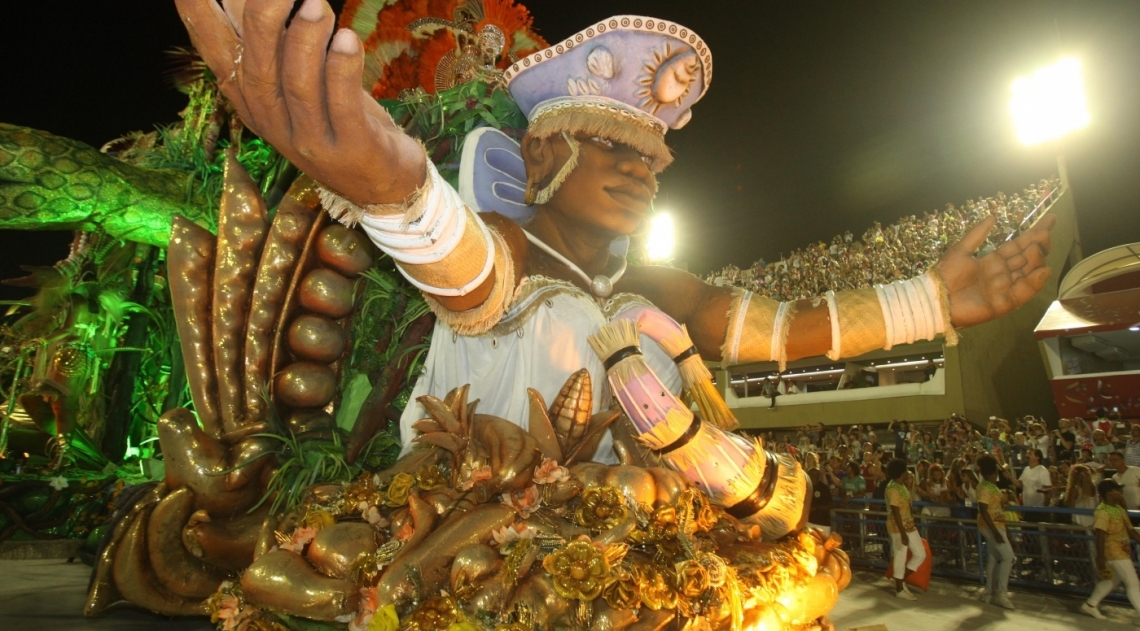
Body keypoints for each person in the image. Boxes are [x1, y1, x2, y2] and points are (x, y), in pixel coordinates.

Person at [1081, 480, 1140, 621]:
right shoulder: (1102, 511)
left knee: (1112, 581)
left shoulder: (1118, 508)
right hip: (1113, 551)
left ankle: (1090, 604)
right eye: (1116, 490)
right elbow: (1100, 535)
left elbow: (1130, 529)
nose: (1120, 492)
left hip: (1121, 550)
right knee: (1132, 583)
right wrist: (1100, 557)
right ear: (1109, 493)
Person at [976, 455, 1015, 609]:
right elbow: (983, 510)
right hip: (992, 525)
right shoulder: (986, 486)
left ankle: (989, 593)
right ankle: (1001, 593)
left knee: (993, 558)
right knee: (1008, 557)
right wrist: (996, 532)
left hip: (995, 524)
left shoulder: (988, 485)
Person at [885, 458, 926, 600]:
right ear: (901, 472)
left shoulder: (901, 486)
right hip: (898, 527)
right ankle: (899, 589)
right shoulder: (892, 488)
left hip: (909, 525)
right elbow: (895, 511)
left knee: (920, 554)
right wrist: (902, 532)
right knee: (900, 555)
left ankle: (901, 581)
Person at [1013, 448, 1054, 518]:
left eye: (1030, 454)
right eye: (1027, 453)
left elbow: (1049, 490)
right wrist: (1010, 477)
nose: (1027, 455)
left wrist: (1045, 508)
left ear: (1037, 457)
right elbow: (1020, 485)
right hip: (1026, 508)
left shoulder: (1042, 470)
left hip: (1038, 509)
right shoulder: (1026, 469)